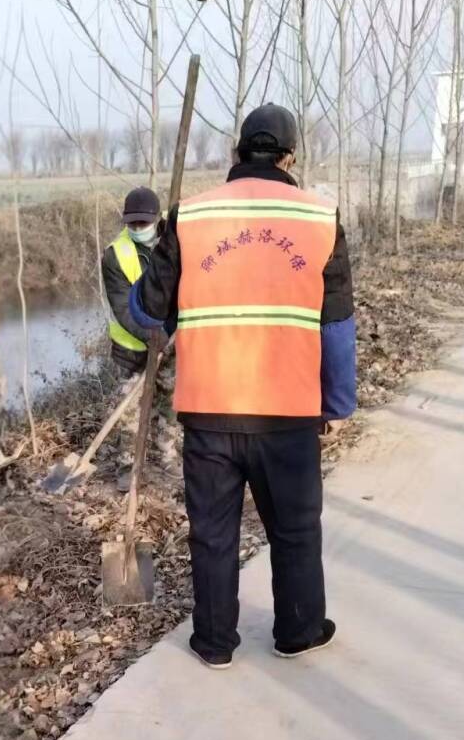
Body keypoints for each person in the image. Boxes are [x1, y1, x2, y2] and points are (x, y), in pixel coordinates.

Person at [128, 103, 356, 669]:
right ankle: (299, 631)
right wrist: (337, 402)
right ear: (291, 156)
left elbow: (146, 313)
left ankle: (213, 642)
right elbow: (337, 328)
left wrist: (162, 310)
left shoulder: (190, 217)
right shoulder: (320, 219)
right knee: (297, 529)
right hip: (289, 411)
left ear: (235, 154)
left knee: (212, 533)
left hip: (209, 410)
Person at [102, 187, 167, 377]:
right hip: (131, 355)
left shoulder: (174, 237)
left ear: (156, 218)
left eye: (143, 223)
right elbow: (123, 308)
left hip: (172, 344)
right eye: (132, 224)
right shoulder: (115, 256)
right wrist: (156, 337)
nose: (138, 229)